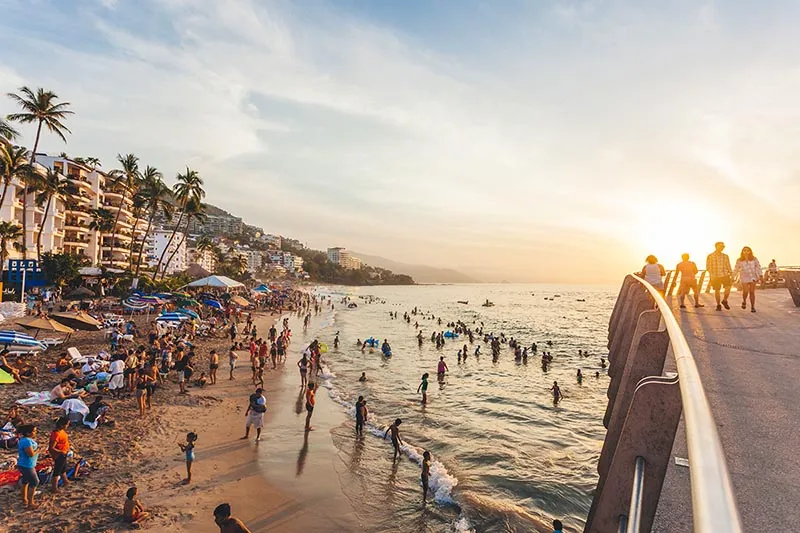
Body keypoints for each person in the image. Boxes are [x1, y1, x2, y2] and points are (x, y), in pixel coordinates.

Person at [734, 246, 762, 312]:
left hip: (753, 276)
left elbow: (758, 267)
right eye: (744, 250)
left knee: (752, 292)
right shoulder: (739, 260)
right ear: (742, 252)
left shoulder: (754, 259)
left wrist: (760, 275)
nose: (746, 252)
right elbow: (736, 269)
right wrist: (733, 277)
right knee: (745, 291)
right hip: (744, 277)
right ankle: (744, 301)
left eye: (747, 250)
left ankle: (753, 307)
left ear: (750, 251)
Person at [17, 424, 39, 508]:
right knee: (35, 482)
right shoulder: (26, 441)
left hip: (26, 464)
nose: (35, 432)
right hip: (27, 465)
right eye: (34, 431)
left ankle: (24, 499)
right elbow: (30, 454)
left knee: (25, 481)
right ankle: (31, 502)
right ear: (28, 433)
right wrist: (38, 450)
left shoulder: (25, 440)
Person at [707, 241, 733, 311]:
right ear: (716, 246)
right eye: (721, 246)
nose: (722, 247)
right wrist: (711, 275)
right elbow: (708, 267)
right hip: (715, 276)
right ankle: (718, 305)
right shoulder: (710, 256)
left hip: (725, 275)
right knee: (717, 290)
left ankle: (724, 300)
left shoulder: (725, 256)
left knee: (728, 288)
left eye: (723, 246)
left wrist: (731, 273)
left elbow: (728, 265)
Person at [49, 416, 71, 492]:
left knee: (63, 468)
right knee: (57, 470)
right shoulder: (56, 434)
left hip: (63, 453)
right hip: (59, 454)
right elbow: (51, 447)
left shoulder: (61, 432)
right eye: (67, 424)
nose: (67, 426)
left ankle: (65, 481)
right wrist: (61, 452)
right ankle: (54, 488)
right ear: (62, 425)